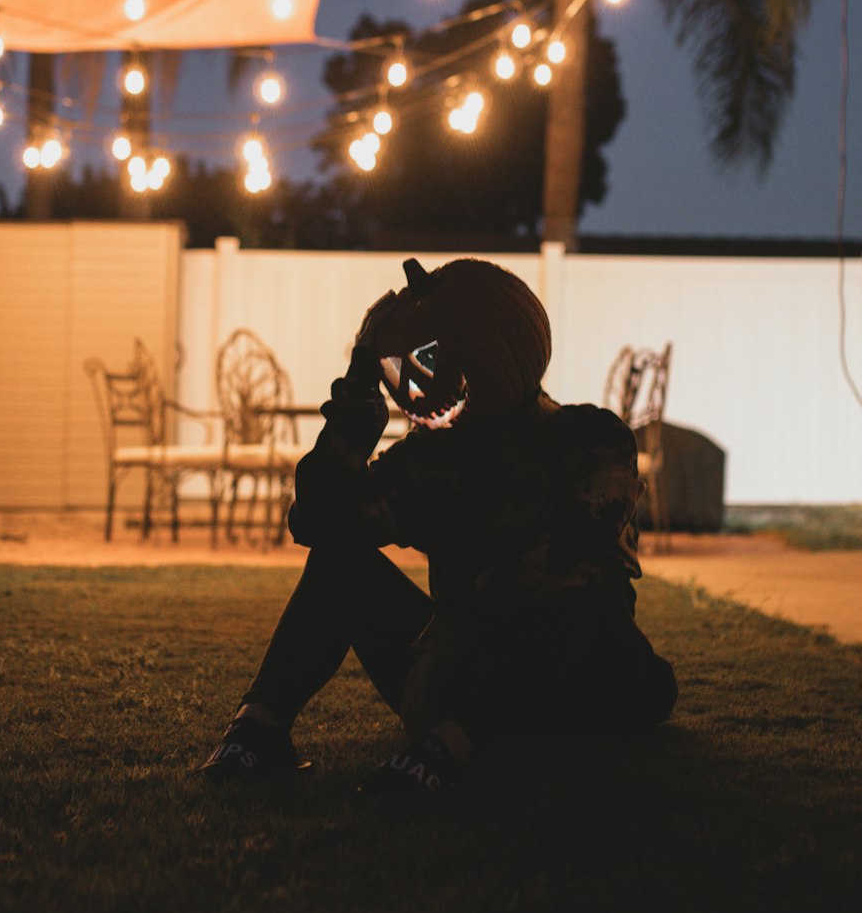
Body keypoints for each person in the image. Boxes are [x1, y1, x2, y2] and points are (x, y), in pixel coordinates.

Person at [200, 257, 677, 799]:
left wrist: (445, 641)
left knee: (572, 602)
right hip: (454, 669)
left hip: (569, 675)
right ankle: (258, 725)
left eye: (424, 359)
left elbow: (574, 555)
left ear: (497, 342)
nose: (411, 385)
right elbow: (320, 521)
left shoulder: (589, 438)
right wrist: (356, 409)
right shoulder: (427, 462)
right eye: (395, 368)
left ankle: (451, 745)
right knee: (340, 559)